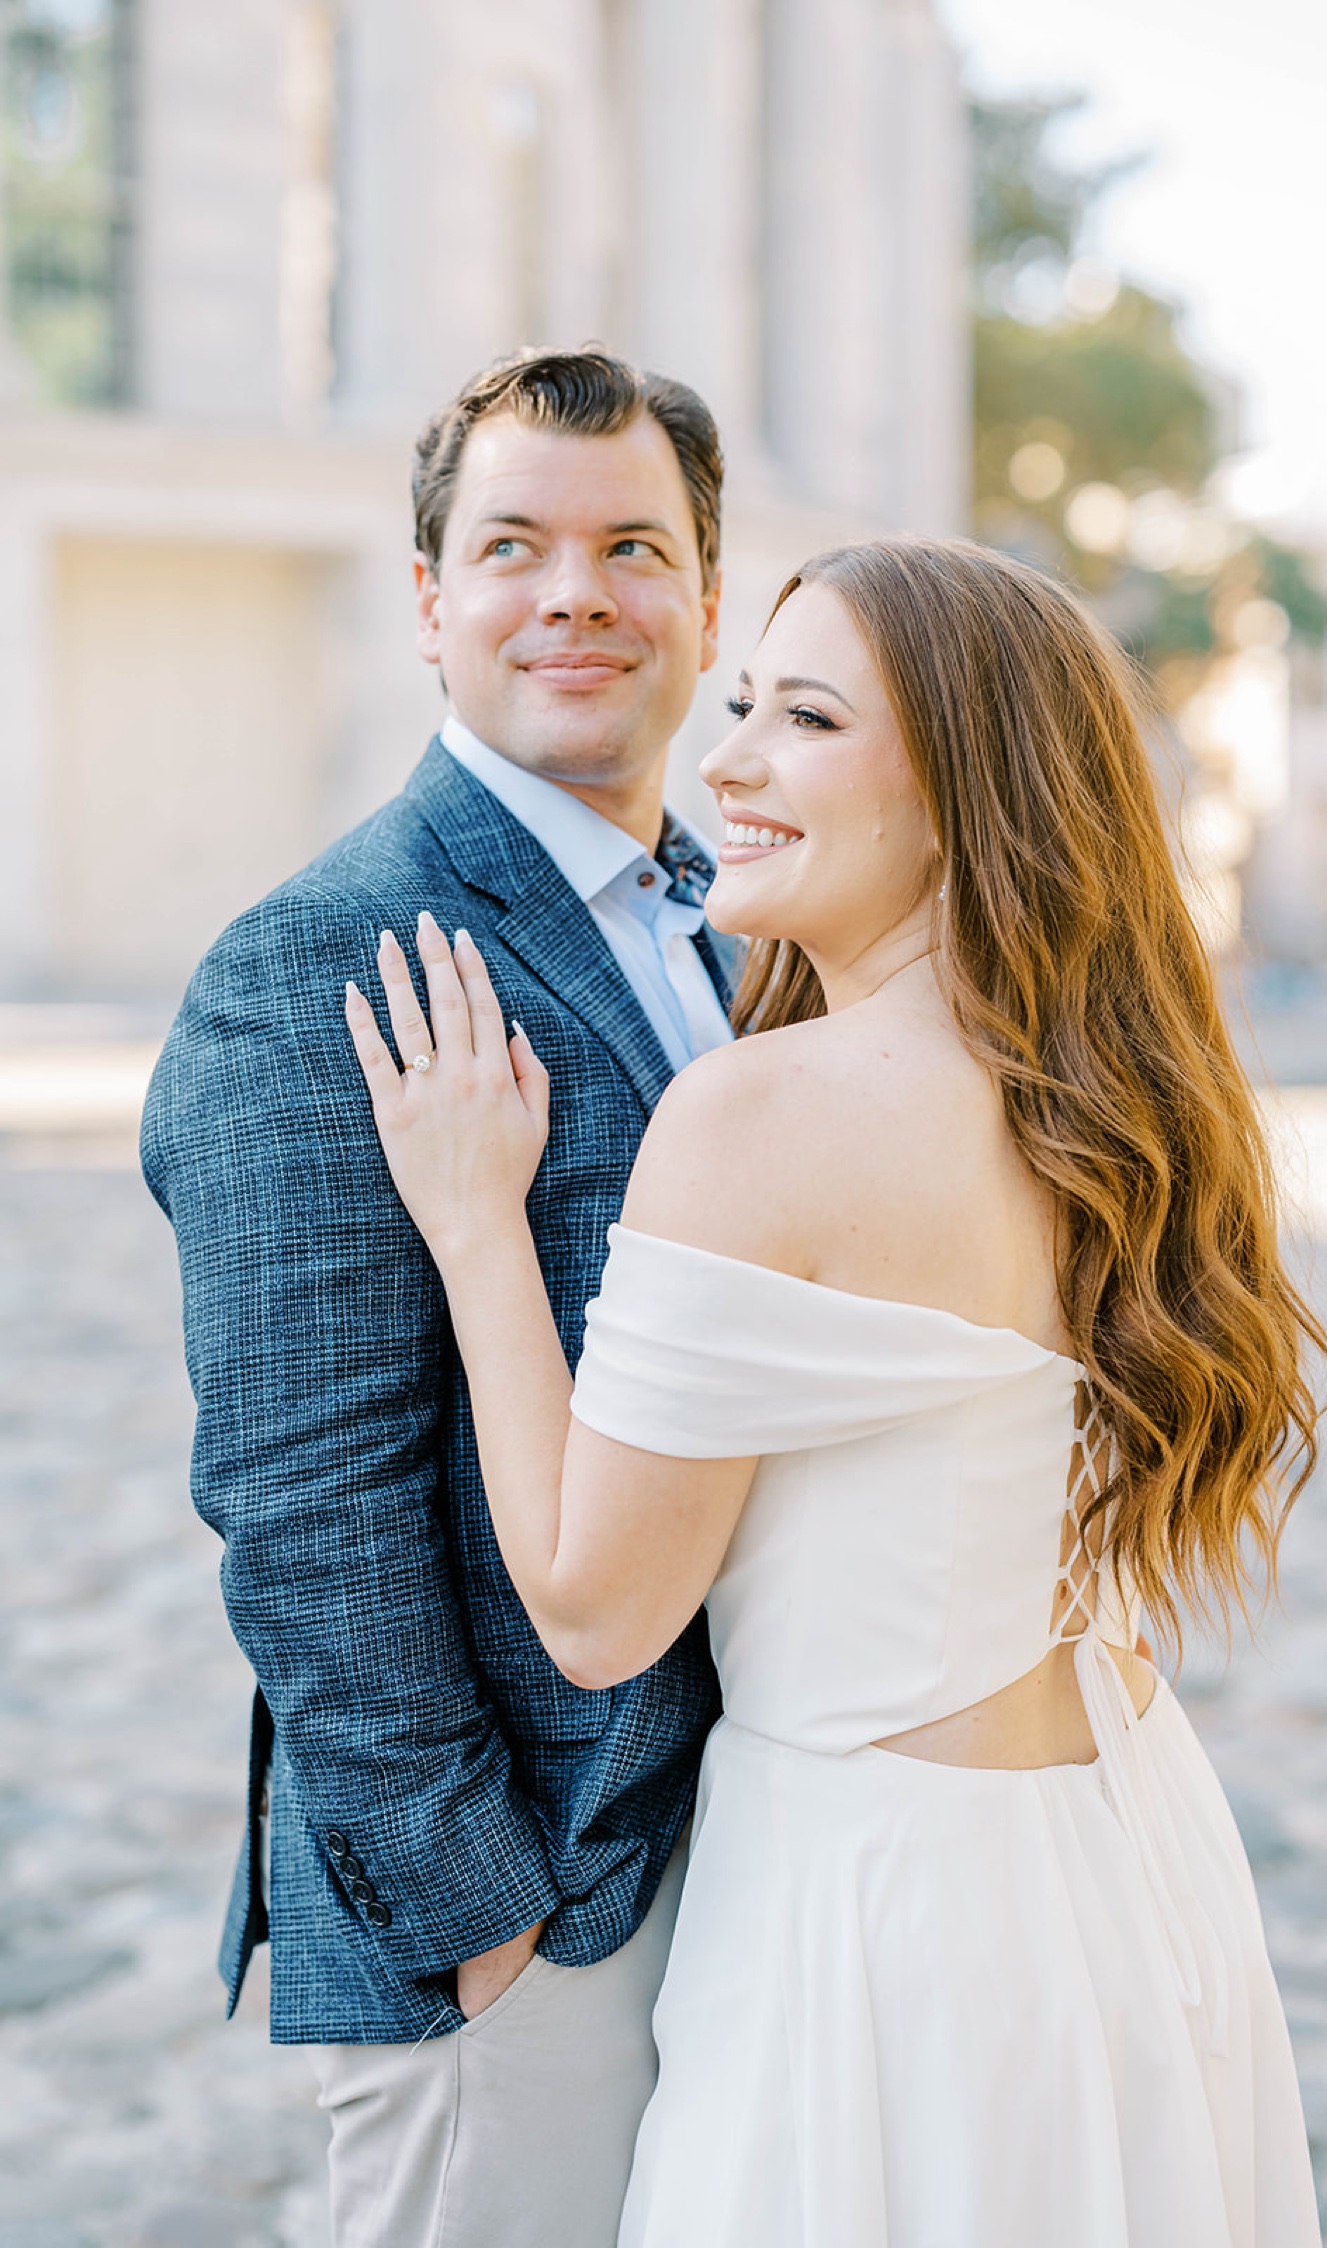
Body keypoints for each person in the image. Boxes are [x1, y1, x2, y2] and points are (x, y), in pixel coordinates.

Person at [345, 534, 1327, 2246]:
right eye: (742, 705)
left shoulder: (764, 1112)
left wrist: (473, 1227)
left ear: (963, 793)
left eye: (802, 719)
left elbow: (593, 1612)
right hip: (1120, 1868)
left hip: (877, 1907)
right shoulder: (1118, 1106)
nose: (722, 761)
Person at [141, 347, 736, 2248]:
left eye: (634, 545)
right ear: (430, 603)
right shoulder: (312, 963)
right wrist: (481, 1912)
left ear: (706, 598)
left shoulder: (740, 930)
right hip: (522, 1912)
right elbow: (304, 1506)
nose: (578, 593)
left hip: (754, 1864)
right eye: (515, 548)